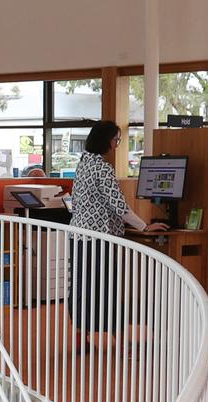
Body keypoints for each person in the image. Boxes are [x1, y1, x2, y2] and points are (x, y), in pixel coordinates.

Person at [67, 121, 168, 343]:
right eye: (116, 140)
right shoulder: (103, 168)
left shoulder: (83, 163)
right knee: (105, 289)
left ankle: (81, 335)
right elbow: (119, 205)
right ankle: (121, 341)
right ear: (106, 140)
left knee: (82, 287)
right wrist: (144, 226)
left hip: (78, 236)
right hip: (98, 238)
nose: (116, 145)